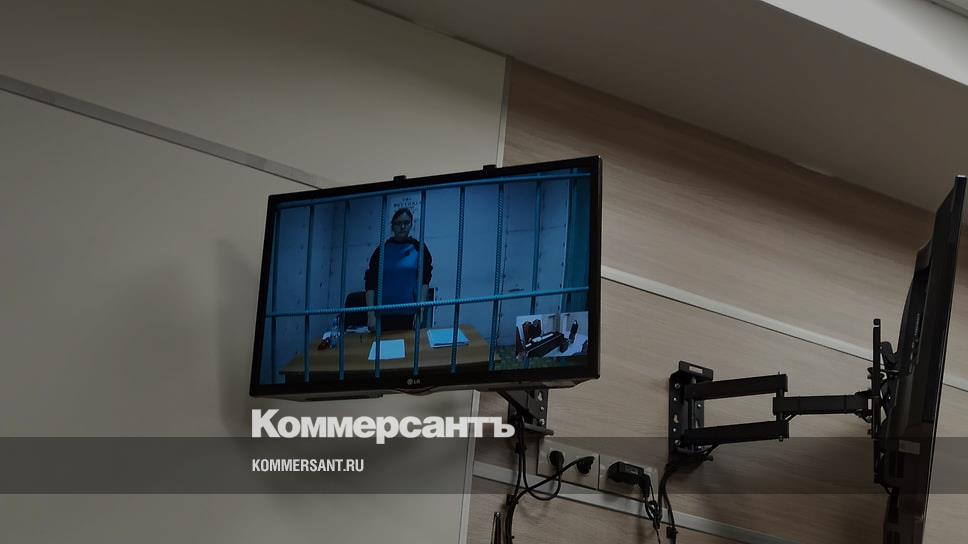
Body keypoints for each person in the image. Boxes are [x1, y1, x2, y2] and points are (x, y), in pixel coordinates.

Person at [364, 207, 433, 331]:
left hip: (409, 314)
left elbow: (424, 282)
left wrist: (421, 311)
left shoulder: (419, 248)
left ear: (411, 224)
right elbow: (370, 283)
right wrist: (370, 314)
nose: (402, 227)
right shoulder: (382, 250)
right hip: (382, 314)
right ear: (392, 226)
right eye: (398, 223)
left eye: (406, 223)